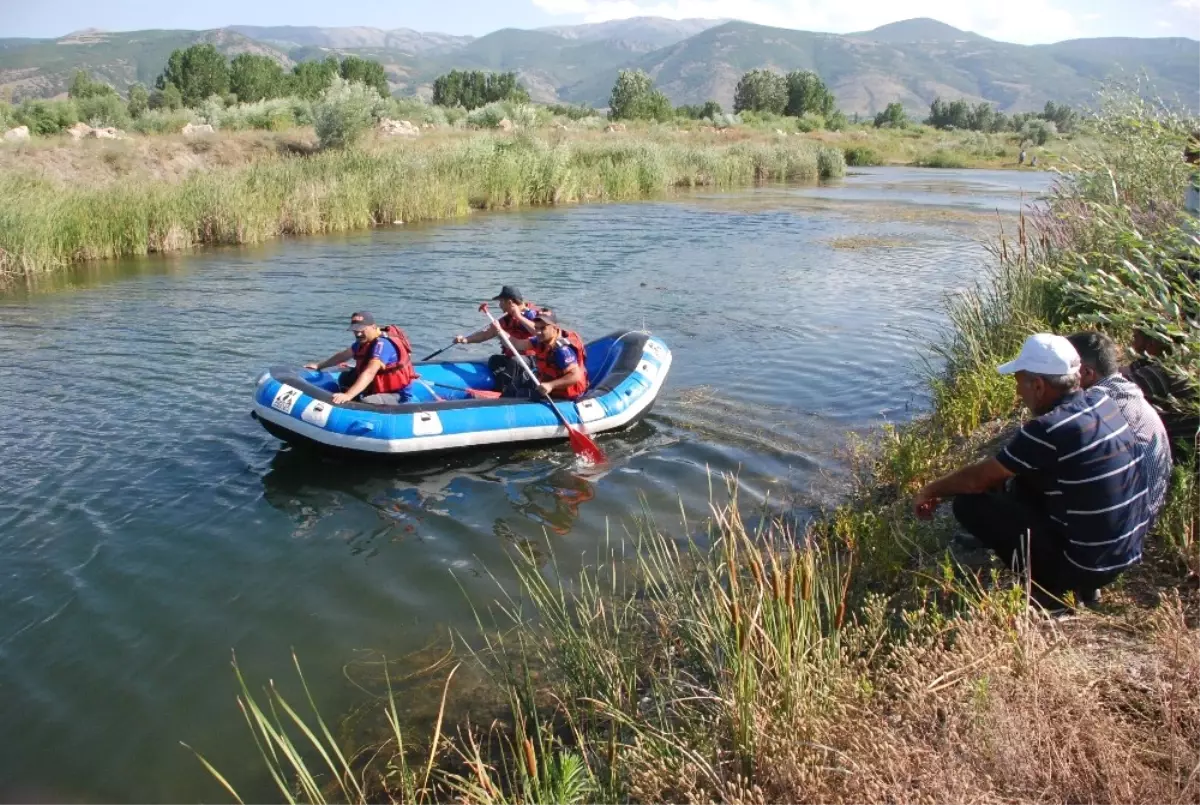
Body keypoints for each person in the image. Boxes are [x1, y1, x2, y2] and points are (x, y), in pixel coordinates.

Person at [913, 333, 1151, 606]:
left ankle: (1050, 593)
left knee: (968, 505)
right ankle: (1085, 587)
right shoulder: (1102, 404)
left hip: (1084, 566)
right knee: (1021, 479)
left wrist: (929, 490)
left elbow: (977, 480)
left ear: (1038, 386)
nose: (1017, 392)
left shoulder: (1048, 428)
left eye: (1020, 383)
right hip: (1123, 556)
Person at [1067, 331, 1171, 519]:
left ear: (1087, 373)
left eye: (1063, 370)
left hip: (1133, 517)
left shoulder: (1097, 403)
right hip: (1145, 506)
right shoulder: (1123, 388)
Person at [305, 312, 416, 405]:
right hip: (375, 385)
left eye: (362, 330)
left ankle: (355, 402)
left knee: (367, 401)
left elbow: (370, 372)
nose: (358, 333)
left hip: (395, 393)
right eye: (355, 330)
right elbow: (344, 355)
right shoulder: (365, 341)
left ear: (373, 327)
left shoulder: (382, 345)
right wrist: (319, 365)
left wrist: (348, 395)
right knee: (345, 378)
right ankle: (354, 397)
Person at [1123, 327, 1200, 462]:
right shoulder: (1180, 367)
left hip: (1175, 458)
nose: (1132, 344)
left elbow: (1112, 390)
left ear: (1152, 344)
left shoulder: (1158, 374)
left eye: (1136, 338)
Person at [454, 285, 544, 392]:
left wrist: (519, 317)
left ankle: (508, 391)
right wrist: (465, 340)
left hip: (532, 360)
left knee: (515, 362)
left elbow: (538, 332)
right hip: (513, 358)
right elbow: (486, 334)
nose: (500, 306)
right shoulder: (506, 318)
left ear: (510, 302)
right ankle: (501, 384)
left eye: (501, 302)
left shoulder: (532, 315)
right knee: (494, 360)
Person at [504, 310, 589, 401]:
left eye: (543, 328)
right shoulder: (540, 340)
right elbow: (517, 344)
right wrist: (499, 331)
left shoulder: (562, 351)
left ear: (554, 328)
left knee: (521, 394)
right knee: (521, 380)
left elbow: (575, 376)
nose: (538, 332)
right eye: (537, 328)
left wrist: (551, 385)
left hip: (564, 396)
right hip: (547, 385)